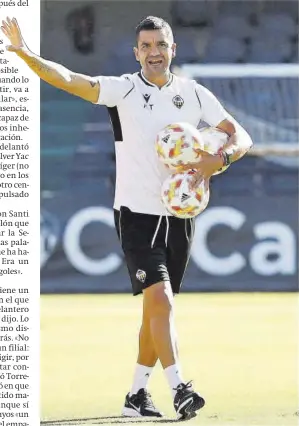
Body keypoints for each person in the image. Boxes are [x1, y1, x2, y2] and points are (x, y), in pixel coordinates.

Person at [1, 16, 253, 420]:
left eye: (161, 45)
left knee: (156, 311)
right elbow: (70, 79)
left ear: (173, 49)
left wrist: (216, 161)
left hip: (179, 214)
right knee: (161, 300)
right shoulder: (124, 90)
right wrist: (30, 56)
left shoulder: (194, 94)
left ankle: (136, 395)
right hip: (136, 213)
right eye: (146, 46)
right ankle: (180, 388)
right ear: (137, 52)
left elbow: (240, 135)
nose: (154, 52)